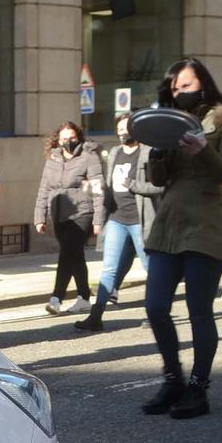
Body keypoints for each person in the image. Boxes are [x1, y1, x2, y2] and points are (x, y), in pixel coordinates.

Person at [139, 58, 222, 421]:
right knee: (155, 306)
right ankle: (173, 379)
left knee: (199, 311)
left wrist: (203, 148)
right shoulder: (168, 121)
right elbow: (157, 179)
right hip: (169, 223)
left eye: (185, 86)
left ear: (202, 82)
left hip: (206, 224)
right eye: (174, 88)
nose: (179, 92)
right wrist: (158, 152)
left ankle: (198, 387)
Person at [74, 112, 149, 333]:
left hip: (140, 219)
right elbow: (107, 185)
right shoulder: (115, 153)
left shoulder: (147, 153)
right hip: (117, 218)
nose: (123, 134)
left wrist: (133, 184)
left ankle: (154, 313)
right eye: (119, 131)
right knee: (109, 269)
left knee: (150, 267)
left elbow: (157, 186)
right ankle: (96, 316)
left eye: (127, 129)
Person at [32, 122, 104, 316]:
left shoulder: (89, 157)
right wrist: (39, 216)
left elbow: (98, 190)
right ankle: (84, 298)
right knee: (76, 256)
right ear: (57, 140)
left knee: (66, 254)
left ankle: (56, 298)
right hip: (58, 214)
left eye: (72, 138)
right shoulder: (53, 160)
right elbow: (44, 189)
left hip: (82, 212)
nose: (68, 142)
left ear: (79, 137)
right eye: (64, 138)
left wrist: (98, 219)